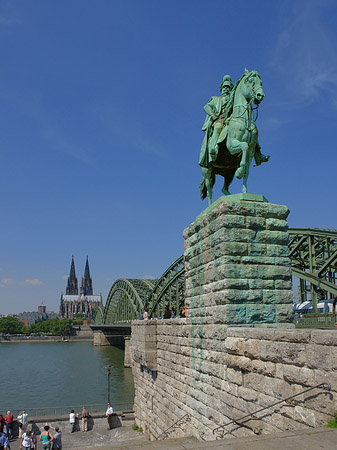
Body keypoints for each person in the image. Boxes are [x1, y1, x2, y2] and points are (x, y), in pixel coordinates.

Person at [199, 75, 234, 168]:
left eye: (228, 87)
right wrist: (213, 115)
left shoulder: (234, 100)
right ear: (221, 89)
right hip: (219, 120)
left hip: (230, 121)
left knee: (250, 129)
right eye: (224, 87)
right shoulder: (216, 99)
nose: (226, 89)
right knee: (218, 127)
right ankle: (212, 150)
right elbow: (206, 107)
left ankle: (257, 154)